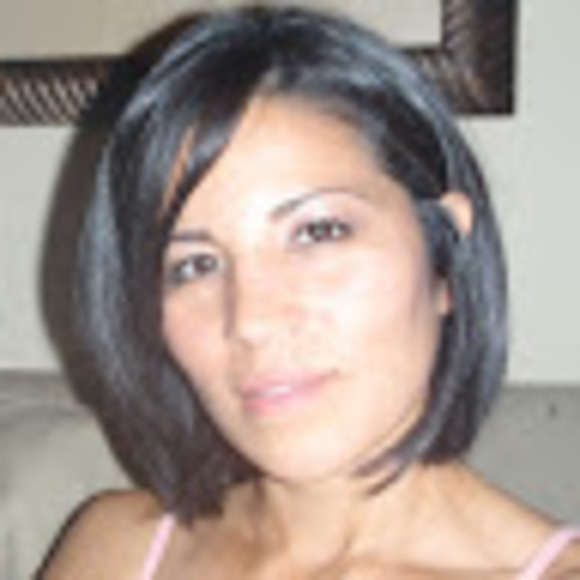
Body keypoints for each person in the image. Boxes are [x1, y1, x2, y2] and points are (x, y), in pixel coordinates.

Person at [43, 5, 580, 579]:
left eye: (318, 232)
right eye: (195, 265)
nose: (251, 320)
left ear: (444, 256)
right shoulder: (113, 550)